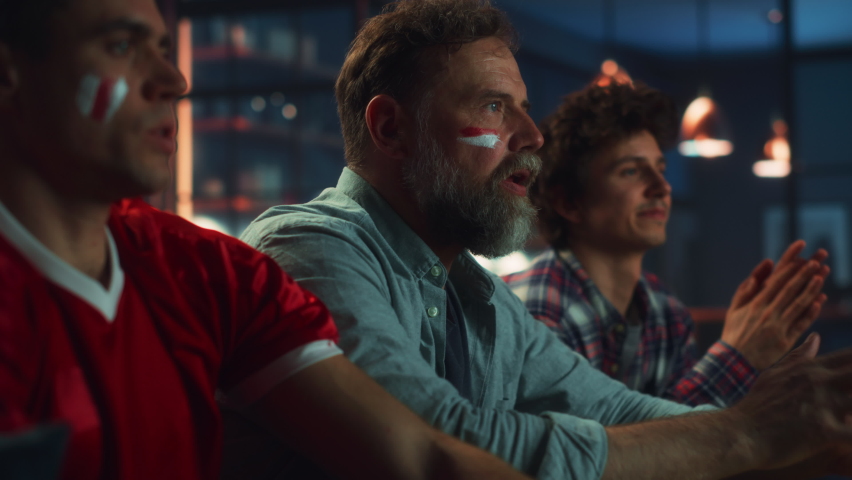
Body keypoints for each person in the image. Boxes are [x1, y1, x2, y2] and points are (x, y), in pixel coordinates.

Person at [237, 0, 852, 478]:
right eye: (495, 107)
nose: (533, 135)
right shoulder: (308, 250)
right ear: (392, 127)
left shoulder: (480, 295)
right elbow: (446, 442)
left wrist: (814, 436)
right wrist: (746, 435)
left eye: (524, 108)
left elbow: (621, 412)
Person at [0, 0, 541, 479]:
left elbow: (422, 457)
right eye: (120, 45)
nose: (173, 79)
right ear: (10, 74)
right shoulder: (301, 248)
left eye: (164, 47)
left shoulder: (214, 275)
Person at [503, 82, 830, 407]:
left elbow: (690, 449)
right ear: (569, 202)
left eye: (660, 169)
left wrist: (765, 388)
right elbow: (596, 451)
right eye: (630, 171)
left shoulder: (666, 313)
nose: (661, 187)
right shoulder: (536, 311)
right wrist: (736, 359)